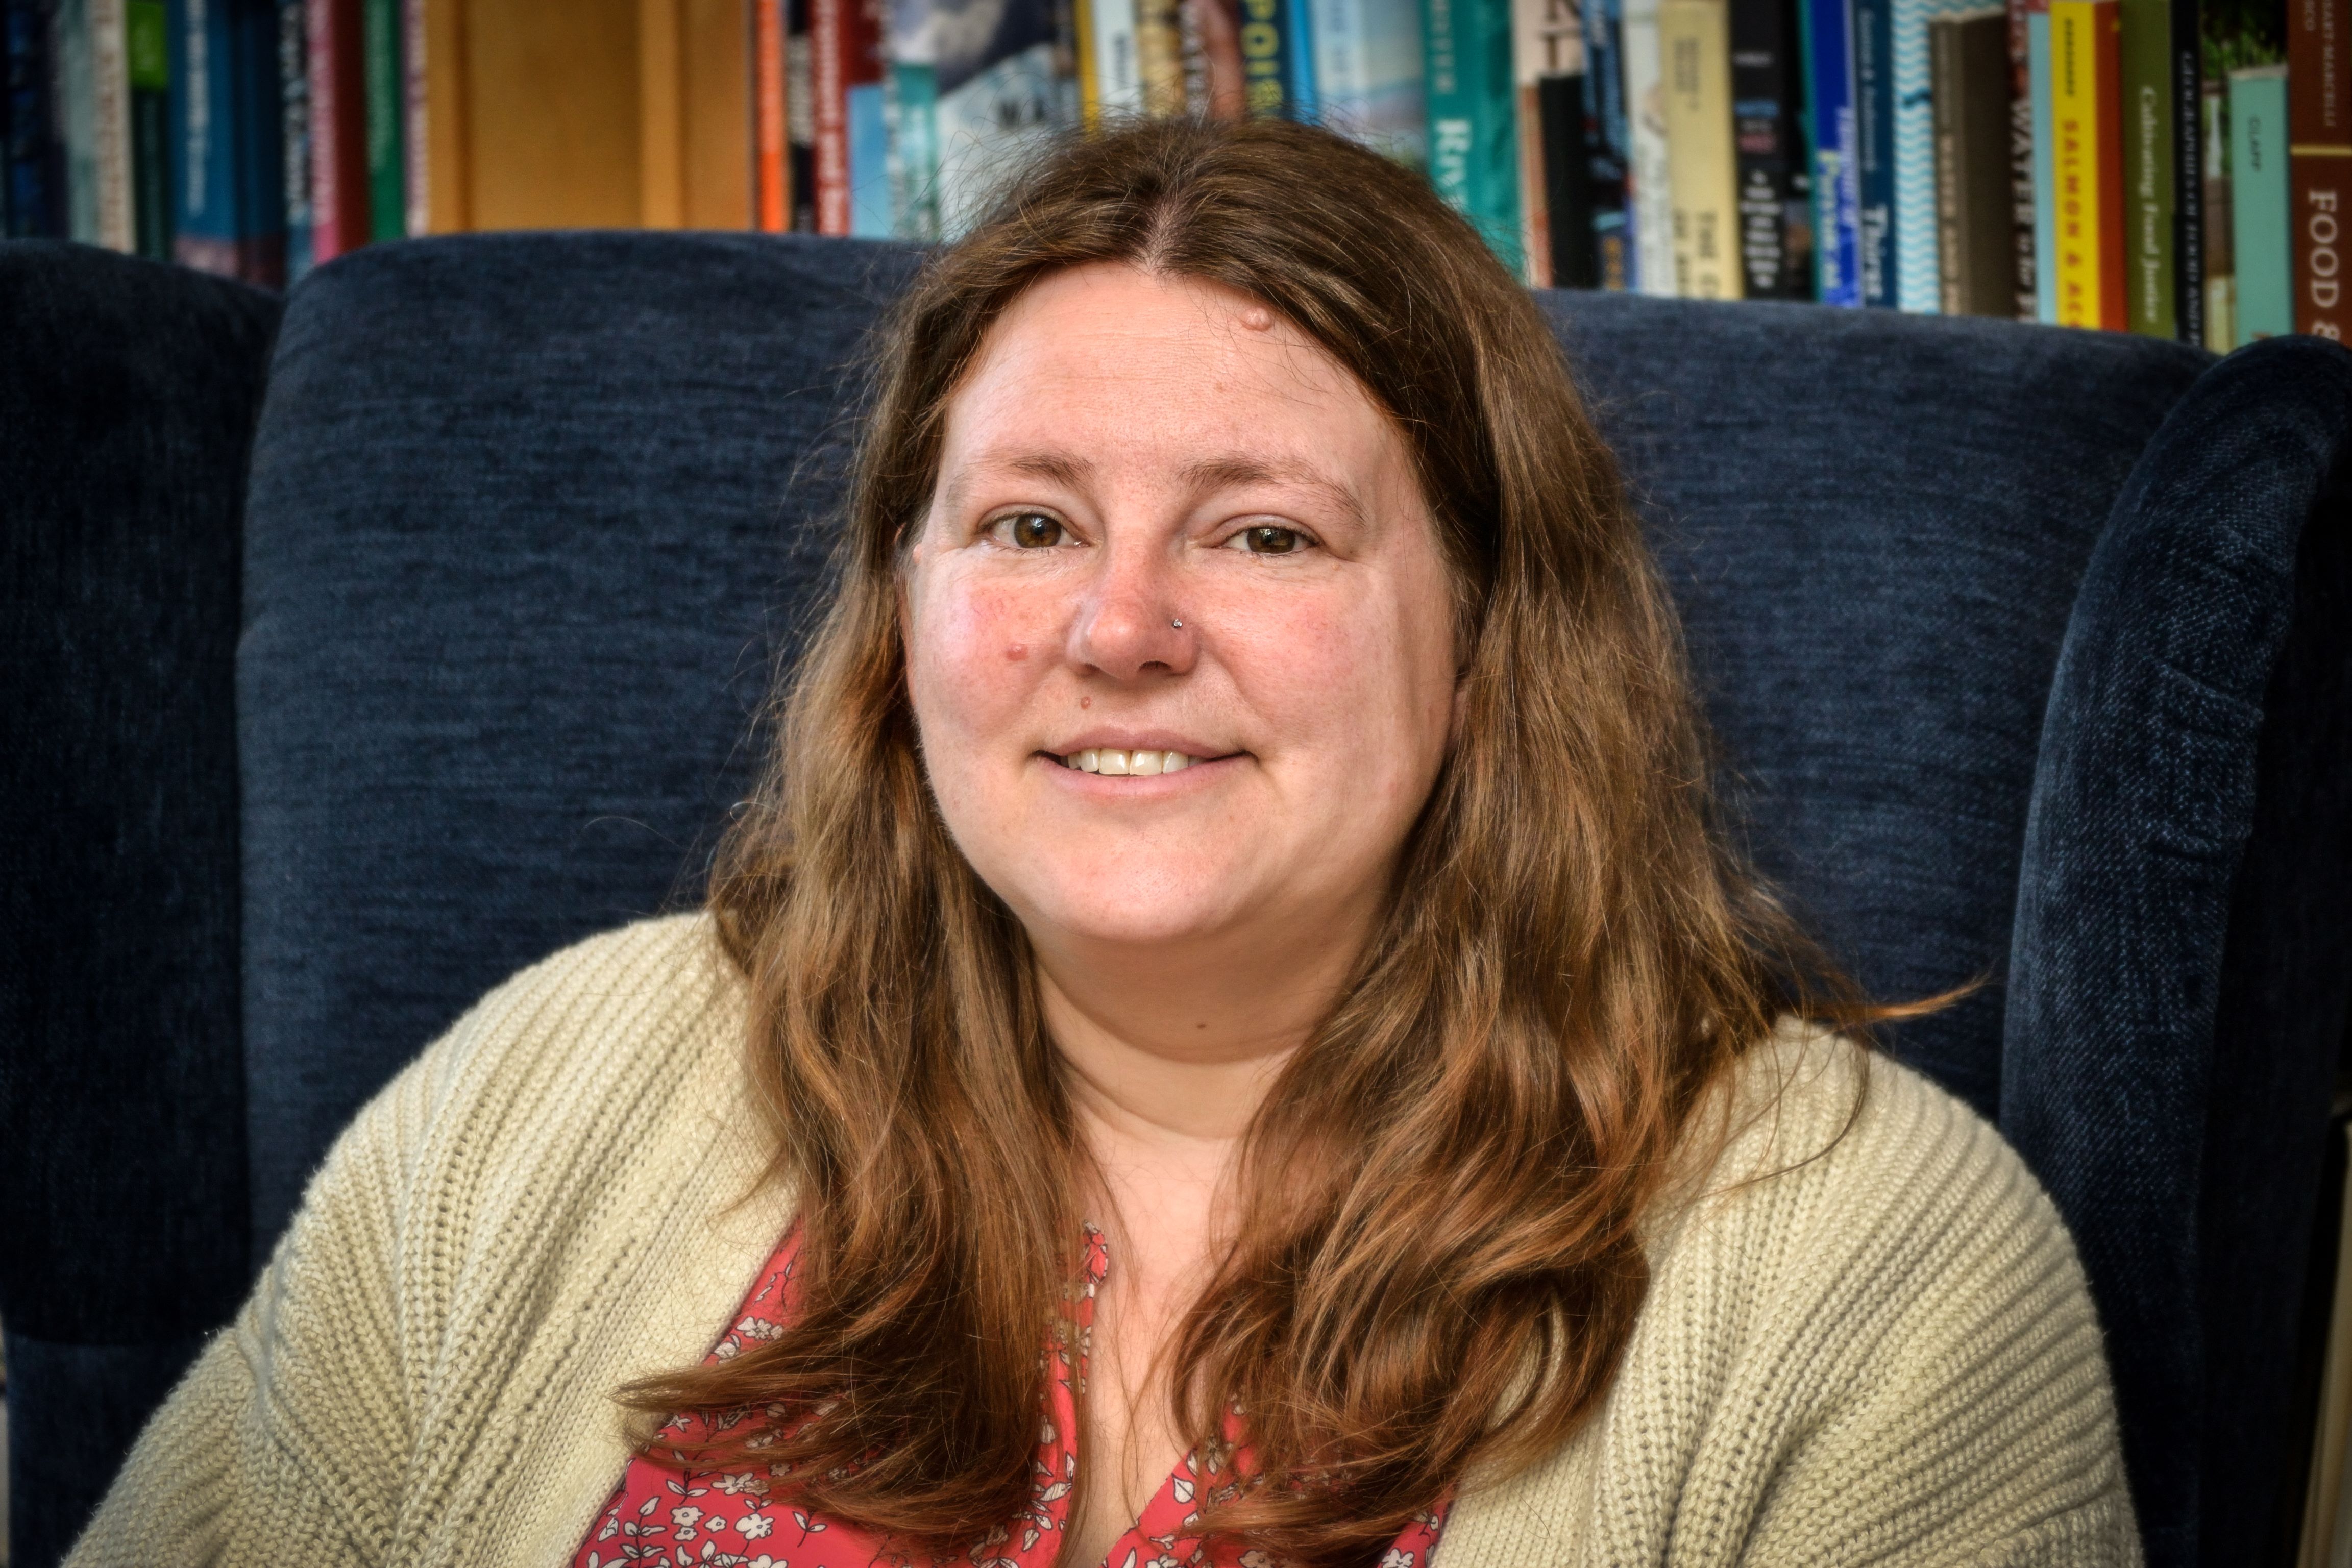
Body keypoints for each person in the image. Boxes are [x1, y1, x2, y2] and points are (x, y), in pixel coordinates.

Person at [68, 117, 2138, 1568]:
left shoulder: (1872, 1273)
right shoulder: (547, 1090)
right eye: (1032, 525)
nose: (1120, 630)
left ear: (1493, 647)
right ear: (901, 621)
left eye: (1263, 534)